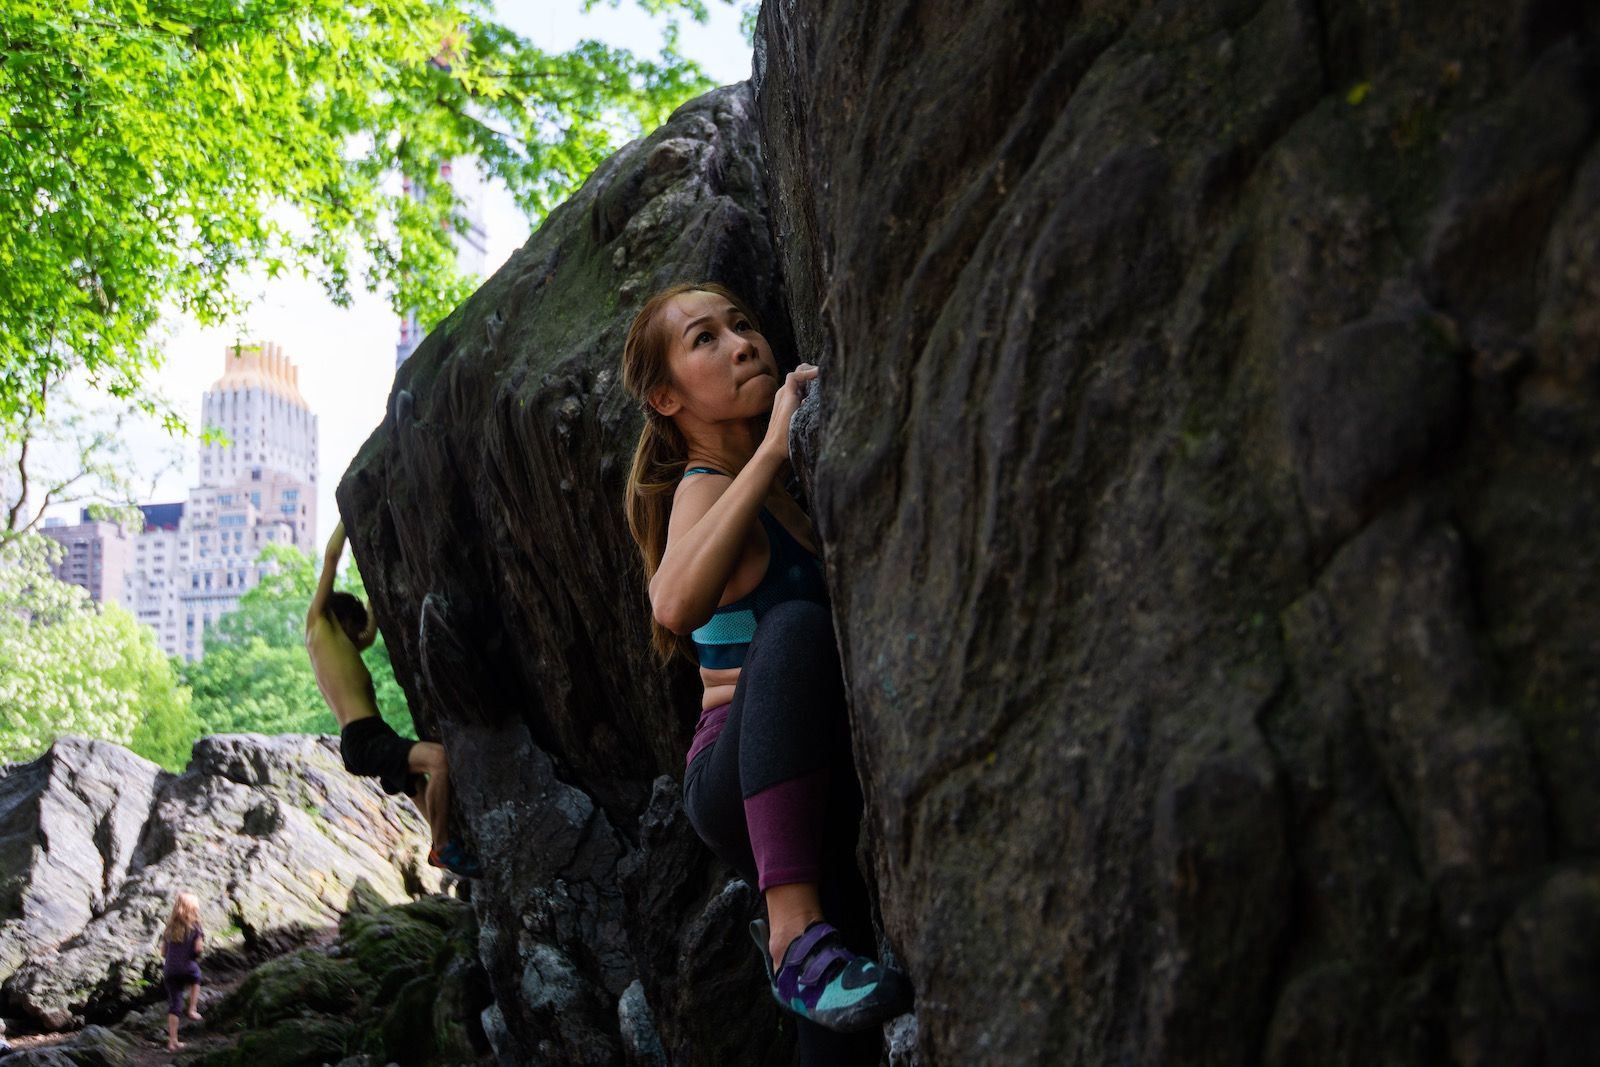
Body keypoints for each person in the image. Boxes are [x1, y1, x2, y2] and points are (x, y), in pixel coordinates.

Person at [621, 282, 913, 1055]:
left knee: (842, 1028)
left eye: (742, 324)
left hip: (801, 773)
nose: (741, 342)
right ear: (666, 397)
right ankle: (788, 936)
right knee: (792, 628)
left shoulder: (779, 490)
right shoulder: (706, 485)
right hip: (733, 767)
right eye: (704, 339)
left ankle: (808, 951)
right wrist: (776, 444)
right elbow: (674, 602)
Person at [305, 521, 480, 878]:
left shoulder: (337, 643)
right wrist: (347, 520)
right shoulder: (318, 625)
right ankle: (443, 847)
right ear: (341, 619)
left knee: (417, 785)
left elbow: (369, 630)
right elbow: (331, 558)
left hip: (369, 735)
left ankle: (453, 845)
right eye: (353, 629)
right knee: (440, 760)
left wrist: (373, 593)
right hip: (363, 738)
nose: (359, 638)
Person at [158, 892, 204, 1052]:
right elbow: (198, 948)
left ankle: (172, 1041)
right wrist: (194, 955)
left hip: (170, 970)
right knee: (196, 977)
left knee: (174, 1005)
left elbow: (163, 952)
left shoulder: (169, 928)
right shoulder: (196, 926)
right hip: (187, 966)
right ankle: (192, 1009)